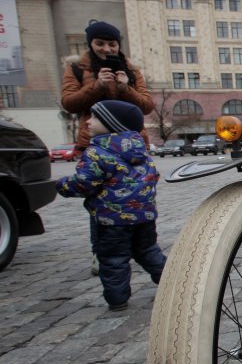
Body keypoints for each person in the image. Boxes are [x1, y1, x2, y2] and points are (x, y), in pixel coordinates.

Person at [61, 20, 156, 274]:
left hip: (130, 145)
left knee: (136, 196)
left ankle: (144, 248)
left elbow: (146, 105)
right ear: (90, 44)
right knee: (98, 202)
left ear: (118, 45)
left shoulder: (132, 70)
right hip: (95, 143)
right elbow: (69, 102)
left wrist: (126, 88)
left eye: (112, 44)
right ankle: (101, 253)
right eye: (100, 43)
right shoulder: (77, 68)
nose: (106, 49)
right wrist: (98, 85)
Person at [56, 100, 168, 311]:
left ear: (113, 123)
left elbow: (84, 183)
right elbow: (153, 177)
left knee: (113, 258)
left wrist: (62, 185)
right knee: (148, 251)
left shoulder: (97, 153)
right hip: (144, 217)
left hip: (111, 219)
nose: (88, 122)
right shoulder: (141, 152)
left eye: (95, 117)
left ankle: (118, 300)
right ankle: (172, 283)